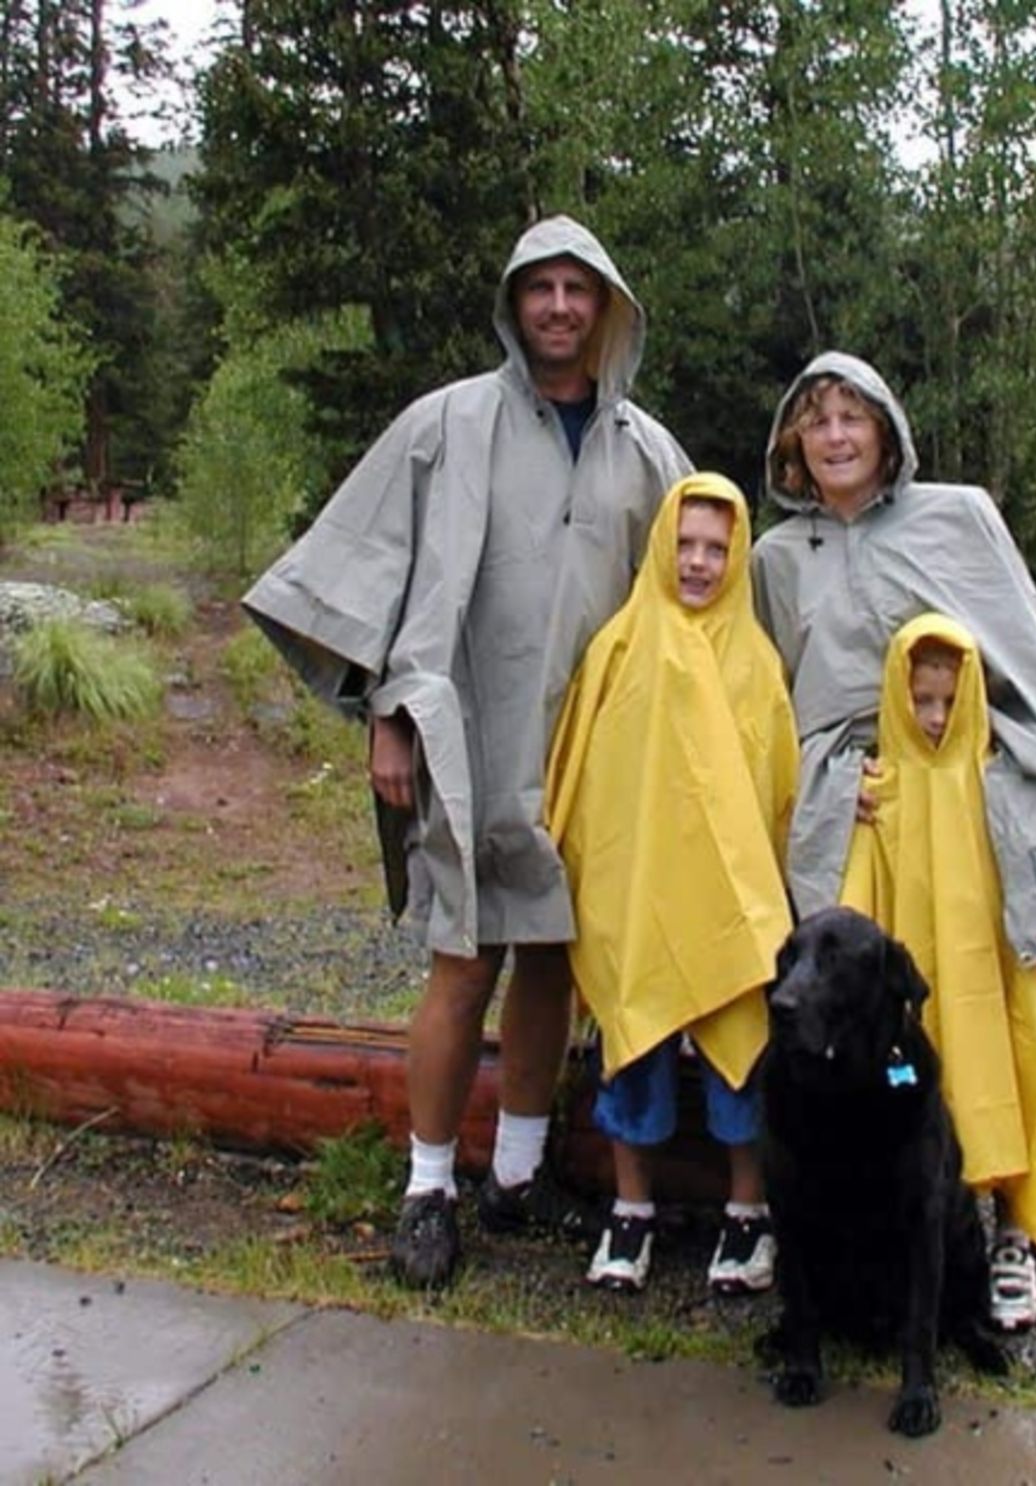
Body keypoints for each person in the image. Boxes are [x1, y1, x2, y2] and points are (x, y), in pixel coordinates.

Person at [243, 216, 692, 1290]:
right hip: (468, 737)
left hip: (590, 756)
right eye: (538, 287)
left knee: (553, 958)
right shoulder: (447, 425)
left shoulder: (651, 454)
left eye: (579, 288)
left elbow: (699, 608)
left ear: (608, 307)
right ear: (514, 303)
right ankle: (429, 1187)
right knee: (464, 956)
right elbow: (374, 562)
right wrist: (390, 715)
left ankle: (521, 1174)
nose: (558, 307)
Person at [751, 350, 1036, 1297]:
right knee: (866, 1023)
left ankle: (1033, 1219)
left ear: (886, 430)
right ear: (793, 440)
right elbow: (771, 706)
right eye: (817, 419)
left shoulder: (957, 519)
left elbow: (1026, 664)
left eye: (853, 417)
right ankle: (855, 1223)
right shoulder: (773, 559)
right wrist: (834, 790)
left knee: (1006, 1003)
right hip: (859, 818)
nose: (835, 436)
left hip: (970, 812)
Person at [544, 473, 796, 1295]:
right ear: (661, 545)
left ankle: (747, 1213)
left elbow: (776, 786)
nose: (698, 562)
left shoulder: (755, 661)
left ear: (739, 554)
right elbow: (587, 770)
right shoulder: (620, 646)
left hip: (729, 906)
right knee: (635, 1053)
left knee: (738, 1058)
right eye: (685, 544)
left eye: (716, 549)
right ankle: (630, 1211)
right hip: (640, 890)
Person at [840, 614, 1036, 1330]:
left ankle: (1017, 1233)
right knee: (920, 1103)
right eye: (919, 700)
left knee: (1016, 1086)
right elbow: (858, 903)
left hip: (999, 986)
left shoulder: (1003, 785)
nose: (933, 717)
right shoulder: (879, 790)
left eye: (949, 702)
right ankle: (920, 1249)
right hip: (920, 1004)